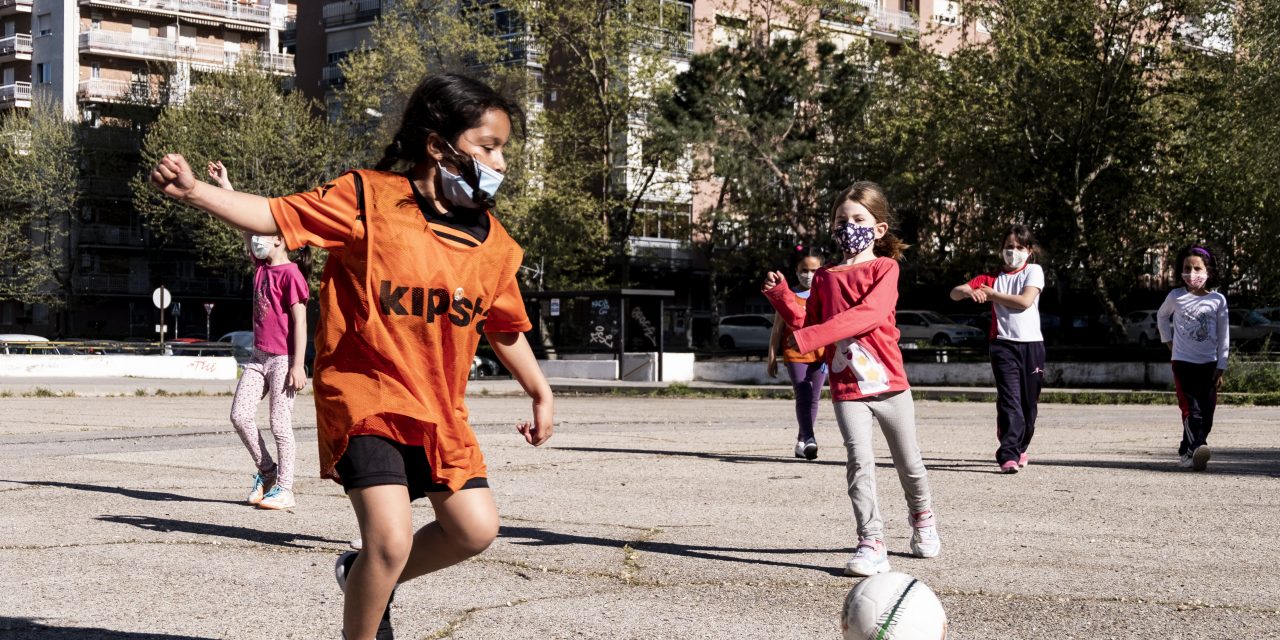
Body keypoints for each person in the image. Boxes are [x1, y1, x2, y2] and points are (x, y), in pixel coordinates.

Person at [150, 73, 554, 640]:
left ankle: (362, 575)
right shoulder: (368, 197)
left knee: (474, 530)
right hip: (366, 395)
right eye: (487, 147)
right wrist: (197, 192)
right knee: (388, 540)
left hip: (438, 410)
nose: (501, 161)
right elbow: (274, 214)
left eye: (504, 148)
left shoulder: (495, 243)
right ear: (439, 146)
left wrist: (540, 390)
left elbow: (505, 327)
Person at [762, 181, 939, 577]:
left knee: (909, 463)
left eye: (858, 219)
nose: (849, 226)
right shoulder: (824, 276)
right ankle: (871, 540)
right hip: (847, 387)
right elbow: (809, 320)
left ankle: (922, 516)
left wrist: (809, 338)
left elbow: (868, 315)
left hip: (889, 383)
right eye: (842, 220)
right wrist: (783, 297)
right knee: (859, 463)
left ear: (878, 228)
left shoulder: (885, 268)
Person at [209, 160, 309, 510]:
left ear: (280, 239)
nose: (255, 240)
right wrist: (225, 184)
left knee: (280, 423)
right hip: (258, 357)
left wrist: (299, 365)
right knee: (239, 415)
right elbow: (241, 218)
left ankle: (286, 487)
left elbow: (300, 321)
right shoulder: (260, 267)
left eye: (261, 235)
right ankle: (267, 471)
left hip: (283, 359)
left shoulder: (291, 274)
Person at [949, 224, 1045, 474]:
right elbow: (954, 294)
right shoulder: (990, 279)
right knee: (1010, 400)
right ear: (1001, 250)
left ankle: (1021, 446)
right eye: (1008, 247)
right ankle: (1008, 454)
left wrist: (991, 295)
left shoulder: (1033, 271)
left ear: (1029, 251)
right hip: (1002, 345)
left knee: (1028, 405)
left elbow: (1024, 301)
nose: (1013, 252)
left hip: (1032, 345)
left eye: (1019, 248)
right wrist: (970, 292)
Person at [1157, 245, 1228, 471]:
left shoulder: (1218, 300)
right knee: (1191, 411)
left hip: (1208, 364)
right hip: (1183, 363)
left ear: (1208, 270)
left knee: (1207, 415)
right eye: (1187, 268)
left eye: (1197, 268)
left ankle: (1187, 451)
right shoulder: (1175, 296)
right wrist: (1168, 342)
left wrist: (1222, 365)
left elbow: (1224, 334)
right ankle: (1198, 446)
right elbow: (1161, 317)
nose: (1192, 273)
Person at [766, 254, 827, 460]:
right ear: (796, 271)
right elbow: (777, 329)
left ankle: (802, 441)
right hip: (795, 355)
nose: (808, 275)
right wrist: (772, 357)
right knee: (803, 394)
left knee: (814, 398)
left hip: (821, 355)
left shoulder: (825, 295)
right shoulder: (788, 295)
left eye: (813, 271)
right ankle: (809, 438)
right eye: (804, 270)